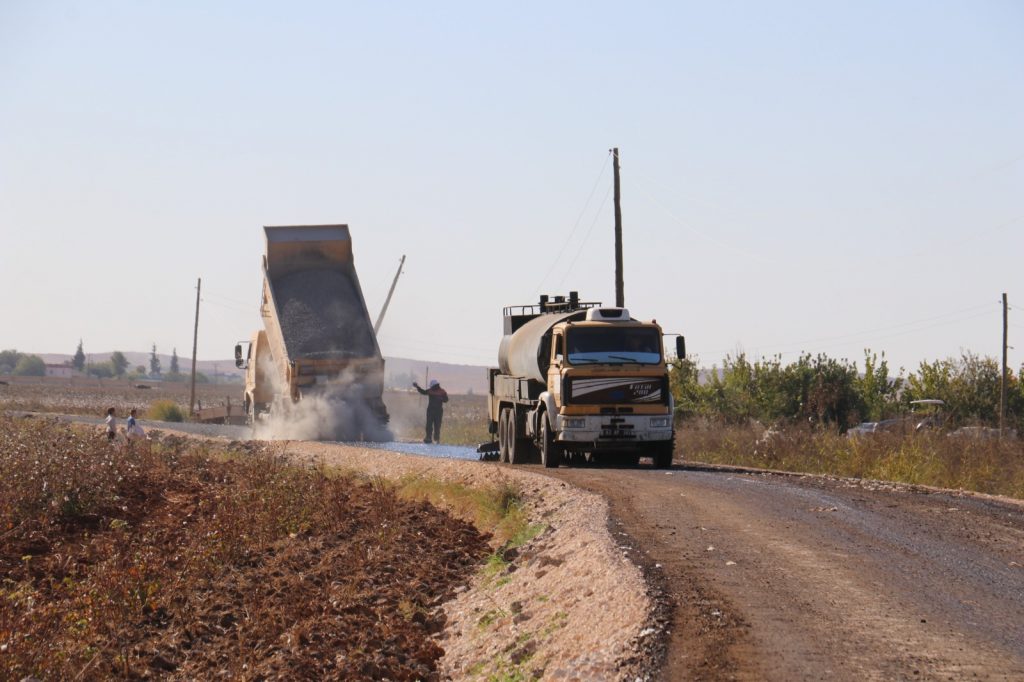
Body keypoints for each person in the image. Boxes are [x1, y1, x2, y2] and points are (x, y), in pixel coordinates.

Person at [413, 379, 449, 444]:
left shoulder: (441, 391)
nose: (431, 387)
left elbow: (446, 400)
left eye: (432, 386)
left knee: (436, 425)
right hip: (432, 411)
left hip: (437, 412)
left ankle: (435, 438)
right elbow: (423, 392)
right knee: (430, 425)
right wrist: (417, 387)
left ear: (434, 385)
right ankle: (429, 438)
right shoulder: (432, 391)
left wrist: (441, 399)